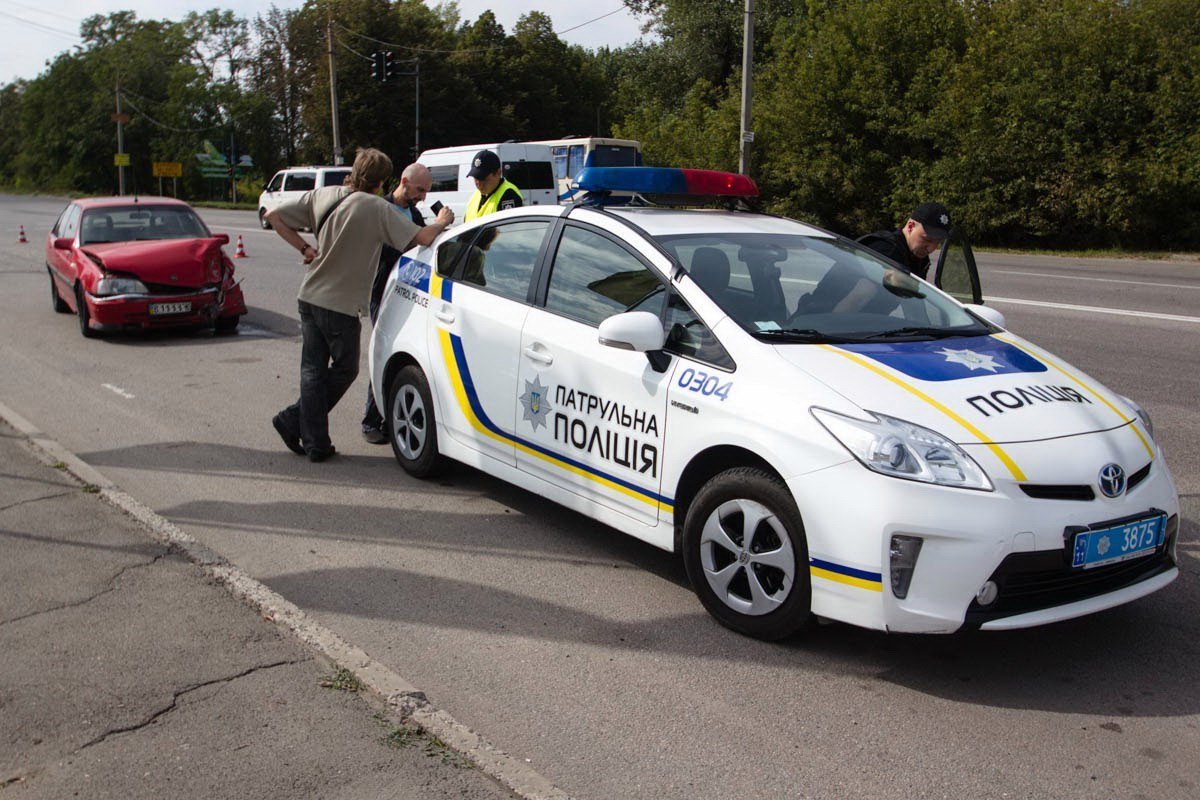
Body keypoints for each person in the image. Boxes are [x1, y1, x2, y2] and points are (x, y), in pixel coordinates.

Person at [267, 148, 454, 462]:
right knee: (345, 369)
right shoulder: (374, 207)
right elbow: (421, 238)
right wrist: (442, 222)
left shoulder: (324, 195)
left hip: (309, 295)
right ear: (381, 182)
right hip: (339, 304)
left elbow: (273, 216)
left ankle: (312, 440)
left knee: (312, 371)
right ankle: (294, 421)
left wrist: (305, 247)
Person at [361, 162, 433, 444]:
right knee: (383, 351)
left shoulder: (414, 213)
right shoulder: (380, 208)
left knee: (400, 352)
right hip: (382, 291)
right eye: (419, 190)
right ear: (403, 181)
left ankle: (390, 416)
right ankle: (371, 420)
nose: (422, 197)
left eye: (426, 192)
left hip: (408, 290)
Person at [794, 202, 953, 317]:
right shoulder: (884, 249)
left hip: (861, 327)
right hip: (820, 325)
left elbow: (912, 304)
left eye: (937, 243)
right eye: (927, 239)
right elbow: (859, 296)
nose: (931, 248)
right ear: (911, 226)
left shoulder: (915, 256)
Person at [464, 149, 522, 221]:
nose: (478, 183)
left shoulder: (508, 196)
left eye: (483, 178)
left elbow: (508, 229)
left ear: (498, 173)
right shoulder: (476, 195)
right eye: (475, 177)